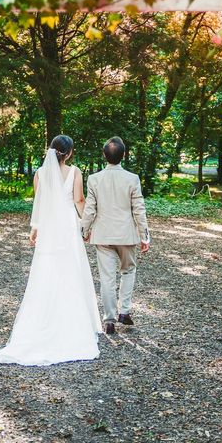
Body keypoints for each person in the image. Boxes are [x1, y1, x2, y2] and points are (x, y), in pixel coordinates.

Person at [0, 135, 102, 366]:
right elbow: (79, 200)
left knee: (47, 271)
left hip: (49, 227)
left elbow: (39, 202)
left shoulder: (40, 174)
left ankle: (44, 319)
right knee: (70, 270)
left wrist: (35, 228)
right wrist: (87, 223)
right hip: (67, 226)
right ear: (68, 153)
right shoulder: (75, 172)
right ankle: (73, 322)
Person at [80, 137, 150, 335]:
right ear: (124, 155)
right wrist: (144, 236)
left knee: (107, 278)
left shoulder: (94, 179)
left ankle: (109, 320)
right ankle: (124, 311)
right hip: (127, 235)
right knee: (128, 271)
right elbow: (139, 209)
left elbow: (90, 209)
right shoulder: (132, 178)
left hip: (103, 235)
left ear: (104, 155)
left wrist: (84, 231)